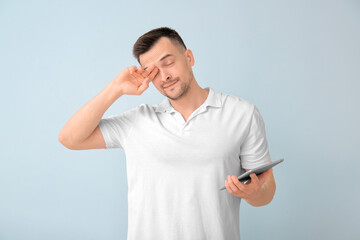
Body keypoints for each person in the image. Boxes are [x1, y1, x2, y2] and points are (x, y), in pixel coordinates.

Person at [58, 26, 276, 240]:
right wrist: (115, 88)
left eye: (169, 63)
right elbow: (69, 138)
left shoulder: (242, 113)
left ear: (189, 57)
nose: (164, 77)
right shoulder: (138, 121)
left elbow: (266, 192)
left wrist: (254, 192)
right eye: (152, 72)